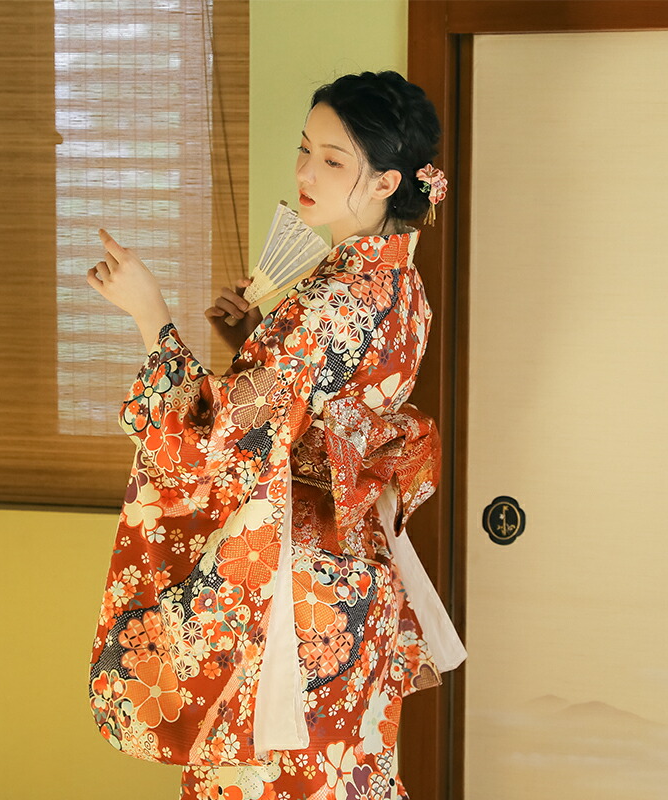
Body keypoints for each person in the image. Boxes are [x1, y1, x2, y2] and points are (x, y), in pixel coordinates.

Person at [86, 70, 466, 800]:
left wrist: (149, 316)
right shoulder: (400, 287)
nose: (305, 172)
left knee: (266, 778)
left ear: (387, 182)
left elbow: (226, 442)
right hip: (358, 578)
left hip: (294, 587)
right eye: (304, 149)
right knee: (339, 774)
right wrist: (257, 341)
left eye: (333, 160)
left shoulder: (332, 300)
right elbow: (318, 403)